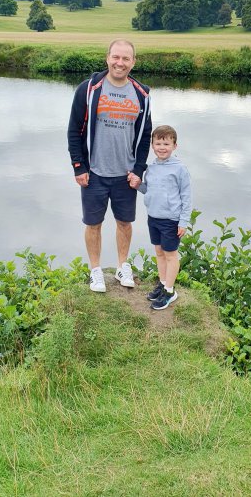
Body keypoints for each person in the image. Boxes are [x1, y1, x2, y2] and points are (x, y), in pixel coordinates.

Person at [67, 39, 152, 293]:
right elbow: (74, 130)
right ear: (107, 58)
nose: (120, 63)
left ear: (133, 62)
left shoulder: (142, 94)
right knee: (93, 224)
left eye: (126, 58)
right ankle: (95, 270)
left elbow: (145, 135)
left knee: (125, 222)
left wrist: (139, 169)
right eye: (116, 57)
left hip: (125, 175)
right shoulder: (89, 89)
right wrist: (78, 166)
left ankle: (122, 266)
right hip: (94, 173)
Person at [129, 124, 191, 310]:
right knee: (159, 252)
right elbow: (148, 189)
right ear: (152, 145)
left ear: (174, 146)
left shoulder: (180, 169)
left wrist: (183, 221)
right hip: (153, 217)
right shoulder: (152, 167)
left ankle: (170, 291)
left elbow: (186, 196)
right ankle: (163, 284)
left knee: (171, 255)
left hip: (171, 219)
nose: (162, 147)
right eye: (158, 143)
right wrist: (137, 185)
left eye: (166, 143)